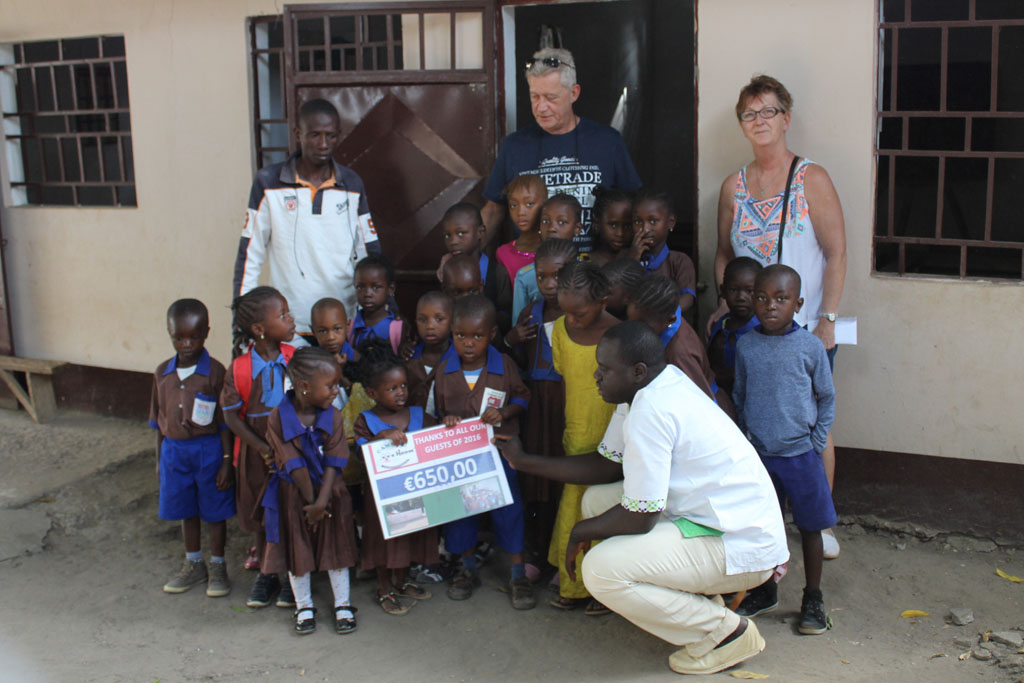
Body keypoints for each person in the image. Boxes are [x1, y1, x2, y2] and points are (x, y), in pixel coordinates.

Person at [495, 322, 789, 675]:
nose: (596, 376)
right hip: (712, 521)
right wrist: (523, 461)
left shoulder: (652, 409)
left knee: (599, 571)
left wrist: (579, 532)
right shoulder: (649, 387)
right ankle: (694, 602)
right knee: (595, 502)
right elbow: (607, 466)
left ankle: (725, 633)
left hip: (740, 544)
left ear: (637, 371)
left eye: (604, 370)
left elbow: (640, 517)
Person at [713, 74, 847, 557]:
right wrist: (725, 305)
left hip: (803, 329)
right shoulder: (734, 186)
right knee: (753, 416)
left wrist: (827, 318)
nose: (760, 121)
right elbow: (723, 253)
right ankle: (765, 521)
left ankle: (820, 522)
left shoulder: (812, 177)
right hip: (752, 329)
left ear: (786, 118)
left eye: (769, 111)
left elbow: (836, 253)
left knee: (811, 422)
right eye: (750, 114)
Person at [732, 265, 836, 635]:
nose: (770, 307)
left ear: (798, 303)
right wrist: (747, 437)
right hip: (761, 456)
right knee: (766, 527)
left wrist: (817, 441)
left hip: (801, 455)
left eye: (781, 299)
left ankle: (813, 597)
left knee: (810, 527)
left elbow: (826, 397)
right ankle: (765, 589)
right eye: (762, 298)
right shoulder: (746, 345)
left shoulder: (809, 346)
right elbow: (740, 395)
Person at [233, 98, 381, 336]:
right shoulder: (268, 183)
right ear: (298, 134)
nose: (324, 144)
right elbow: (250, 255)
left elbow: (368, 252)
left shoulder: (351, 184)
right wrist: (240, 325)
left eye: (331, 136)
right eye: (315, 135)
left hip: (342, 321)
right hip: (291, 323)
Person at [480, 47, 641, 253]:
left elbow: (633, 207)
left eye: (550, 97)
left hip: (595, 270)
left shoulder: (607, 141)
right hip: (536, 273)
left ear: (574, 93)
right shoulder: (515, 146)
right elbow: (493, 211)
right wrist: (463, 256)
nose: (541, 107)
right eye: (535, 97)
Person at [432, 295, 535, 610]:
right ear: (452, 333)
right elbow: (435, 414)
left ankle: (517, 573)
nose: (467, 343)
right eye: (460, 335)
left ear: (491, 334)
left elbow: (523, 398)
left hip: (499, 454)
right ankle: (467, 568)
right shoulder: (444, 370)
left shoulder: (503, 365)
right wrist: (446, 421)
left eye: (476, 336)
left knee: (509, 511)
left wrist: (504, 414)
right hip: (460, 459)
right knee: (460, 512)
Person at [260, 348, 358, 635]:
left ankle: (343, 604)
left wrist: (322, 503)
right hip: (295, 495)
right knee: (297, 549)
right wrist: (311, 503)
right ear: (304, 387)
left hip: (329, 494)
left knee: (335, 546)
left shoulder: (335, 416)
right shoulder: (278, 417)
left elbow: (334, 463)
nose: (336, 391)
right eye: (330, 386)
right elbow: (294, 464)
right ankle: (304, 606)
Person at [152, 299, 235, 598]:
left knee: (215, 511)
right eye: (179, 337)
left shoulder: (215, 371)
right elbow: (157, 422)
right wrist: (160, 460)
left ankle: (218, 566)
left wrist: (227, 461)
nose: (187, 344)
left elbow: (225, 423)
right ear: (169, 333)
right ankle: (194, 563)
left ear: (207, 333)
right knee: (187, 510)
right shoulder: (162, 373)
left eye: (194, 337)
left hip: (209, 450)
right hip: (175, 451)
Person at [548, 262, 618, 613]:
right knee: (573, 506)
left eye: (580, 312)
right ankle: (572, 582)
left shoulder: (620, 334)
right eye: (566, 312)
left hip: (612, 435)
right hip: (576, 430)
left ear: (604, 300)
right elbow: (564, 373)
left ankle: (605, 589)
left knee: (606, 508)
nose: (572, 319)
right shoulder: (560, 330)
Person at [221, 286, 296, 609]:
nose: (291, 319)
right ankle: (267, 573)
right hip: (254, 455)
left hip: (292, 449)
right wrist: (262, 447)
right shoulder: (239, 368)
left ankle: (294, 574)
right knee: (261, 514)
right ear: (259, 329)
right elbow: (230, 417)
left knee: (290, 509)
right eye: (283, 315)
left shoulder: (295, 359)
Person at [504, 238, 577, 568]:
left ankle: (564, 554)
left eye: (557, 277)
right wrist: (513, 339)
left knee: (566, 475)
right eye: (542, 276)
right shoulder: (530, 314)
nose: (549, 285)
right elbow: (516, 357)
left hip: (567, 402)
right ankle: (538, 551)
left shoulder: (579, 314)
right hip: (537, 405)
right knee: (536, 479)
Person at [351, 340, 437, 615]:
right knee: (385, 542)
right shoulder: (366, 421)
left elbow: (438, 441)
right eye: (391, 389)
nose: (400, 393)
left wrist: (449, 423)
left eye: (403, 386)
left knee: (410, 537)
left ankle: (402, 581)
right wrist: (380, 438)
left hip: (414, 492)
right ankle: (384, 587)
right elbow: (360, 453)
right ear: (373, 392)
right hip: (381, 499)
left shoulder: (417, 414)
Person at [627, 275, 735, 419]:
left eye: (643, 325)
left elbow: (700, 404)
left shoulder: (679, 353)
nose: (636, 330)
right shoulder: (666, 317)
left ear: (670, 320)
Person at [438, 203, 513, 327]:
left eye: (461, 233)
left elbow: (506, 316)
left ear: (480, 232)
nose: (453, 242)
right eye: (447, 236)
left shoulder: (497, 273)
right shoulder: (447, 271)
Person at [512, 194, 583, 322]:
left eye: (562, 222)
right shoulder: (525, 276)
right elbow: (519, 324)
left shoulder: (586, 272)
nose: (551, 228)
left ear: (577, 229)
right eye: (545, 221)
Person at [630, 188, 696, 322]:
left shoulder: (679, 261)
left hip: (669, 326)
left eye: (653, 221)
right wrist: (632, 260)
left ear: (670, 222)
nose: (645, 229)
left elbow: (688, 298)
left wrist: (659, 317)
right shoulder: (627, 257)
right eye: (638, 222)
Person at [706, 257, 761, 397]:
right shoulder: (719, 326)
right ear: (722, 291)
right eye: (733, 290)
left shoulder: (762, 331)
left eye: (750, 291)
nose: (741, 297)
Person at [405, 291, 453, 418]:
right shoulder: (409, 357)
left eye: (439, 319)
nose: (430, 326)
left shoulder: (460, 358)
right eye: (422, 320)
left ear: (453, 322)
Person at [349, 254, 406, 355]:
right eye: (360, 287)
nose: (367, 294)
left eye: (375, 287)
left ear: (390, 289)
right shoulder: (350, 328)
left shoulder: (397, 328)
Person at [495, 174, 547, 283]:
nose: (520, 212)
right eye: (513, 205)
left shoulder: (555, 249)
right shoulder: (504, 254)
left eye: (529, 203)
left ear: (545, 204)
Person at [587, 187, 634, 267]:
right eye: (613, 225)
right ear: (597, 224)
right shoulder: (584, 261)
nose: (620, 233)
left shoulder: (642, 259)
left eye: (627, 226)